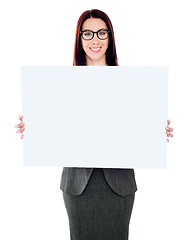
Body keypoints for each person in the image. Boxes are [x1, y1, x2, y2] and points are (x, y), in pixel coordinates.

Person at [15, 9, 174, 240]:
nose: (95, 39)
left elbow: (136, 130)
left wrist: (155, 130)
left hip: (119, 185)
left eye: (101, 32)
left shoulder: (133, 84)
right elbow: (54, 129)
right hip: (78, 185)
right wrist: (33, 127)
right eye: (87, 34)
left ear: (110, 37)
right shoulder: (61, 85)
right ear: (79, 39)